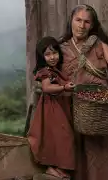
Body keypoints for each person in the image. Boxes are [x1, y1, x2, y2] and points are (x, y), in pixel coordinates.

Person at [59, 4, 108, 180]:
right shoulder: (61, 48)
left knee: (101, 151)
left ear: (92, 25)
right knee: (77, 151)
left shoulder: (100, 45)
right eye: (78, 20)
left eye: (87, 22)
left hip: (99, 106)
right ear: (71, 21)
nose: (81, 26)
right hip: (74, 106)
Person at [27, 36, 76, 179]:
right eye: (47, 54)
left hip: (59, 108)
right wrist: (64, 87)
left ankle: (56, 168)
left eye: (54, 53)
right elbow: (46, 87)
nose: (52, 57)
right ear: (42, 57)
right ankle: (52, 167)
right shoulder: (45, 72)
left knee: (57, 138)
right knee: (64, 137)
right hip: (52, 109)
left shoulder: (56, 70)